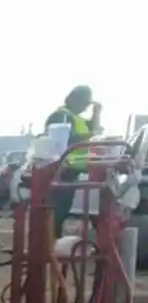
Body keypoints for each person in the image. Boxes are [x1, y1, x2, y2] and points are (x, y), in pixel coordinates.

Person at [44, 86, 101, 236]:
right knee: (56, 211)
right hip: (61, 170)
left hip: (71, 171)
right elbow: (61, 141)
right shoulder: (62, 116)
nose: (85, 107)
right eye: (85, 103)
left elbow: (93, 128)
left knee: (61, 211)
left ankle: (52, 243)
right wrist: (89, 136)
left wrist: (97, 114)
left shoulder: (76, 118)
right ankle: (49, 245)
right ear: (76, 99)